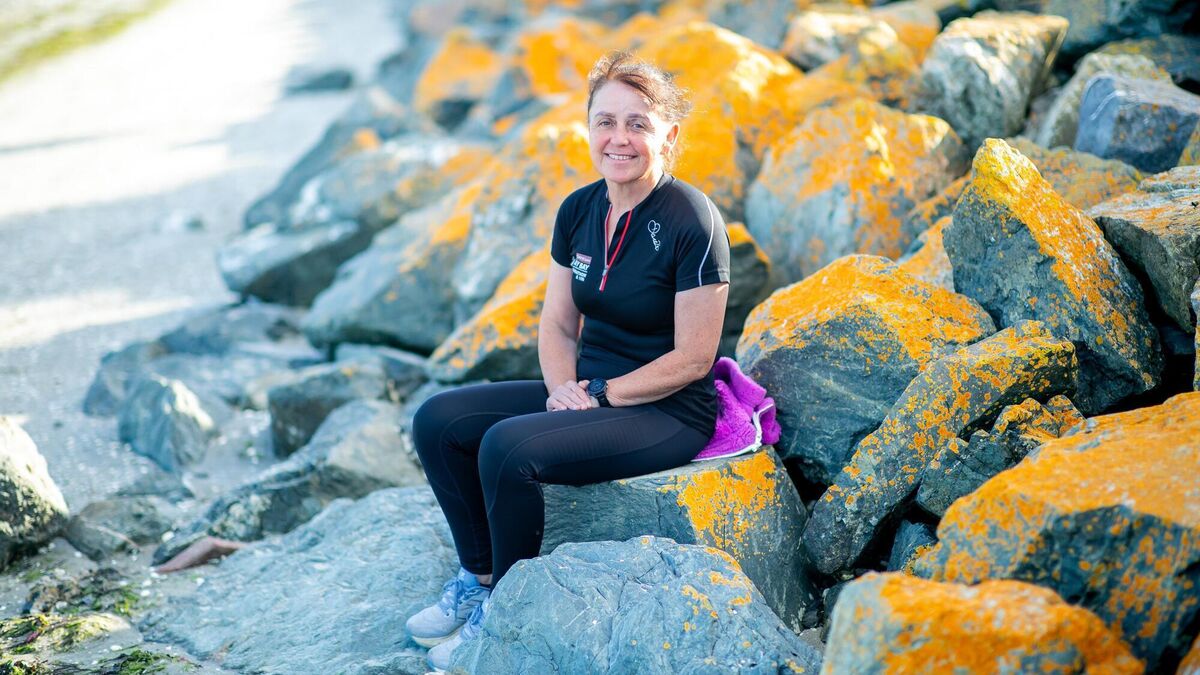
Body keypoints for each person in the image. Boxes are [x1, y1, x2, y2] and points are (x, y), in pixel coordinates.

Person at [406, 51, 731, 670]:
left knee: (507, 448)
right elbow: (558, 323)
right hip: (588, 390)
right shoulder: (579, 209)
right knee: (437, 421)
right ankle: (478, 579)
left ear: (669, 136)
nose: (619, 138)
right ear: (588, 129)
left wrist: (600, 395)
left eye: (638, 123)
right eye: (605, 121)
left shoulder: (693, 220)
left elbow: (694, 358)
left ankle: (504, 616)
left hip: (666, 409)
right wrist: (562, 390)